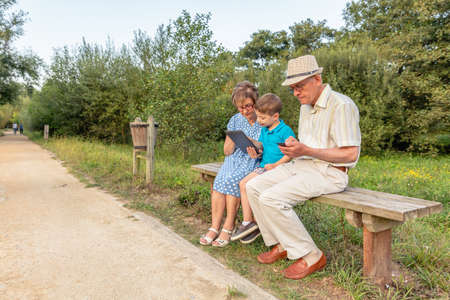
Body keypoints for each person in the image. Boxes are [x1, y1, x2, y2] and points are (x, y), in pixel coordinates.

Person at [246, 55, 361, 280]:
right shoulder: (305, 107)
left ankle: (311, 255)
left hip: (330, 173)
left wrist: (306, 150)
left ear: (317, 79)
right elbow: (309, 145)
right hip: (303, 165)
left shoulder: (342, 105)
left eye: (300, 86)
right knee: (253, 186)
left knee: (271, 198)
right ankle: (282, 244)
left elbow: (350, 154)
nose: (296, 93)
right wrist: (293, 147)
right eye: (292, 89)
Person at [199, 81, 262, 247]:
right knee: (220, 180)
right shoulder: (235, 119)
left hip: (253, 160)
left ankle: (228, 227)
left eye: (248, 106)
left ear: (256, 102)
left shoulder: (264, 117)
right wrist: (234, 139)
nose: (245, 111)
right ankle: (214, 227)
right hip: (234, 158)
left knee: (233, 180)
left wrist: (252, 143)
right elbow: (227, 151)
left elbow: (268, 146)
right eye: (240, 108)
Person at [230, 93, 295, 244]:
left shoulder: (285, 131)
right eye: (258, 117)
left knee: (247, 185)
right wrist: (256, 152)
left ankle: (252, 224)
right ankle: (248, 222)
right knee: (242, 184)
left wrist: (276, 165)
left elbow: (291, 154)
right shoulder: (265, 129)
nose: (259, 121)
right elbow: (263, 148)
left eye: (262, 118)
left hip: (279, 169)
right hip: (264, 166)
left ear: (276, 116)